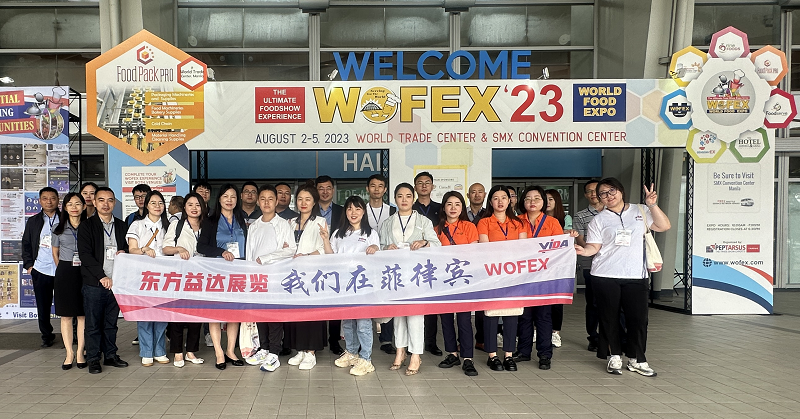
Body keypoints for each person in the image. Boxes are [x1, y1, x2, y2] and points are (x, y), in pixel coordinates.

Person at [575, 179, 671, 377]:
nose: (608, 196)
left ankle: (637, 359)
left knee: (638, 319)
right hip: (604, 274)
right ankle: (614, 356)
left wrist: (652, 205)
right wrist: (584, 251)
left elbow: (664, 226)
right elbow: (594, 247)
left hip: (636, 275)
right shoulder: (598, 220)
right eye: (603, 194)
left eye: (612, 191)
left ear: (621, 191)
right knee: (609, 318)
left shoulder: (641, 210)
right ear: (599, 198)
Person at [379, 182, 441, 375]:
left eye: (408, 196)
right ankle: (400, 350)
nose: (404, 200)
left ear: (413, 199)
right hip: (396, 274)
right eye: (400, 196)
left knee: (415, 315)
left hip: (416, 275)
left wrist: (424, 242)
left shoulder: (423, 221)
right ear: (395, 199)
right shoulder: (387, 223)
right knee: (398, 314)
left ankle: (416, 354)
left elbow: (437, 244)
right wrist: (386, 248)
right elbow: (378, 246)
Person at [322, 195, 380, 376]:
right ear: (345, 212)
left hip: (363, 285)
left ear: (363, 212)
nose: (353, 212)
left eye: (357, 208)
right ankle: (352, 353)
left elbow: (377, 253)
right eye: (349, 209)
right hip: (344, 285)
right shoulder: (339, 233)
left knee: (363, 323)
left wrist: (375, 248)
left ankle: (366, 359)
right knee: (347, 322)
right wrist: (325, 239)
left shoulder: (370, 233)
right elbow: (331, 256)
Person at [514, 186, 569, 370]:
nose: (532, 202)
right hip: (522, 276)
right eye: (528, 198)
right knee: (524, 315)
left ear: (543, 202)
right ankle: (523, 351)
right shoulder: (516, 221)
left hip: (545, 277)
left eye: (537, 198)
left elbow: (559, 250)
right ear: (523, 202)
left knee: (543, 316)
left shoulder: (552, 222)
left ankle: (545, 354)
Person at [77, 187, 129, 374]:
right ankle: (93, 358)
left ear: (114, 202)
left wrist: (125, 252)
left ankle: (110, 355)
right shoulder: (87, 226)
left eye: (110, 200)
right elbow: (85, 255)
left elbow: (129, 250)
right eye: (101, 200)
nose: (106, 204)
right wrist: (102, 276)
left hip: (116, 283)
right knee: (93, 324)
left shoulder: (122, 226)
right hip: (95, 283)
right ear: (94, 202)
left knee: (111, 323)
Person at [244, 184, 296, 372]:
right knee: (260, 314)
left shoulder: (283, 224)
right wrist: (249, 274)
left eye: (270, 199)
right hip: (258, 278)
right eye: (263, 199)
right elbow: (249, 253)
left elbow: (290, 250)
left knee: (274, 316)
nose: (266, 203)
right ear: (258, 202)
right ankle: (264, 348)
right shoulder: (254, 226)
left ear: (276, 201)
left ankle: (274, 352)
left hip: (275, 277)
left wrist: (266, 258)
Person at [197, 183, 247, 370]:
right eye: (225, 196)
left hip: (237, 274)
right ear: (219, 199)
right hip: (217, 274)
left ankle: (230, 351)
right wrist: (221, 252)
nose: (229, 200)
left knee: (234, 314)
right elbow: (201, 246)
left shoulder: (241, 220)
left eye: (233, 196)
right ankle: (219, 353)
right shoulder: (210, 221)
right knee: (216, 314)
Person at [477, 185, 527, 372]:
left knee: (511, 315)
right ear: (490, 202)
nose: (500, 201)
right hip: (492, 274)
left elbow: (523, 249)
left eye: (504, 198)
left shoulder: (519, 223)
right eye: (496, 198)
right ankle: (492, 355)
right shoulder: (484, 222)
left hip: (513, 275)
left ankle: (508, 355)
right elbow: (486, 249)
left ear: (509, 200)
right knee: (491, 314)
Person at [285, 182, 329, 370]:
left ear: (314, 202)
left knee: (312, 313)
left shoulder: (320, 221)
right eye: (300, 199)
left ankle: (311, 352)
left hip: (312, 274)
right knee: (296, 313)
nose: (303, 203)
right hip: (293, 274)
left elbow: (324, 249)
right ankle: (300, 350)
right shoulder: (290, 222)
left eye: (308, 199)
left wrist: (307, 255)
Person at [434, 191, 479, 376]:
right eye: (449, 204)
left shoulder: (469, 227)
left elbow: (474, 253)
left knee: (464, 320)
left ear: (462, 208)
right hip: (443, 280)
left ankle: (468, 358)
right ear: (444, 207)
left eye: (457, 204)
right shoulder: (436, 229)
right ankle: (452, 353)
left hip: (463, 279)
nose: (453, 208)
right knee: (445, 319)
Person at [126, 190, 170, 367]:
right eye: (153, 203)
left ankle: (159, 350)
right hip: (143, 276)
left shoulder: (169, 225)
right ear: (146, 205)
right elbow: (132, 249)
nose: (157, 206)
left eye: (160, 203)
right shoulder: (137, 225)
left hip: (165, 276)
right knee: (144, 313)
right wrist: (144, 249)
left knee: (162, 313)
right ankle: (146, 351)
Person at [162, 192, 207, 368]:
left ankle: (191, 351)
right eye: (190, 204)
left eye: (198, 204)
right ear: (185, 207)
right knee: (177, 316)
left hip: (200, 277)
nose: (194, 208)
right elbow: (165, 248)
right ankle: (178, 352)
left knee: (196, 315)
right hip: (180, 276)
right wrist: (179, 249)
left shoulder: (207, 226)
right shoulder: (177, 225)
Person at [51, 193, 87, 370]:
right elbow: (55, 252)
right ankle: (69, 353)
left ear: (84, 206)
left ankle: (80, 352)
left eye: (78, 203)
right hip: (65, 272)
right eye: (70, 204)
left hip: (85, 271)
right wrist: (63, 269)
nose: (74, 207)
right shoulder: (58, 228)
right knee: (66, 315)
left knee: (82, 315)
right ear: (65, 207)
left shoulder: (89, 226)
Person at [21, 186, 59, 347]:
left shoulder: (65, 219)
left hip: (61, 270)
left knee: (69, 303)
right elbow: (26, 244)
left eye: (52, 198)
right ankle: (47, 335)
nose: (49, 201)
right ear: (39, 201)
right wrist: (30, 266)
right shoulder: (34, 221)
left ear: (58, 200)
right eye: (45, 198)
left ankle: (73, 333)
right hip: (41, 269)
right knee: (43, 305)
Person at [412, 172, 442, 356]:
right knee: (413, 304)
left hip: (433, 262)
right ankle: (412, 343)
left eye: (427, 183)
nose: (424, 186)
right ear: (415, 187)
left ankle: (431, 342)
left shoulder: (440, 208)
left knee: (431, 304)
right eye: (420, 183)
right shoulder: (409, 207)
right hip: (412, 263)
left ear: (432, 186)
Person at [315, 175, 344, 355]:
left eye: (328, 188)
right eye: (321, 188)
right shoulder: (309, 209)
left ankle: (334, 340)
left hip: (335, 262)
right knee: (315, 301)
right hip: (314, 262)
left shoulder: (342, 211)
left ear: (333, 190)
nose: (325, 192)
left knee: (335, 302)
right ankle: (316, 340)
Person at [573, 180, 603, 352]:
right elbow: (580, 239)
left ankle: (614, 336)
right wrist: (595, 251)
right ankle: (593, 336)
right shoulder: (580, 216)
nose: (593, 194)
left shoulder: (613, 213)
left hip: (613, 266)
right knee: (593, 303)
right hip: (591, 265)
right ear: (585, 195)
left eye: (596, 190)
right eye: (589, 191)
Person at [544, 188, 570, 348]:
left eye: (551, 199)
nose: (548, 202)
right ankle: (537, 330)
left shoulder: (564, 218)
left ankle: (555, 332)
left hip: (557, 265)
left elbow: (567, 236)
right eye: (545, 199)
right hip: (540, 266)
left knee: (556, 300)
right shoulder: (536, 218)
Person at [467, 182, 488, 351]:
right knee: (464, 306)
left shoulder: (489, 214)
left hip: (483, 264)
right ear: (468, 195)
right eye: (473, 192)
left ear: (485, 194)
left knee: (482, 305)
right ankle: (464, 340)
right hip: (464, 264)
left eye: (480, 192)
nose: (477, 195)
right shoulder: (461, 214)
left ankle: (481, 338)